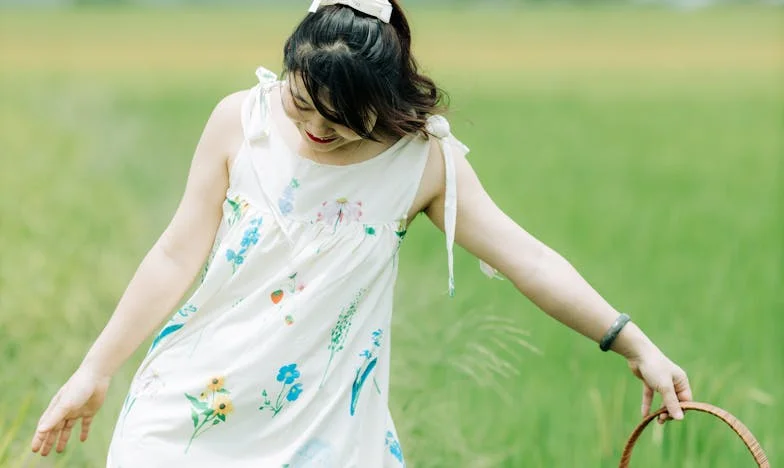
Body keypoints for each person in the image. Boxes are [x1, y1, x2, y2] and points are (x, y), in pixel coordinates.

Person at [30, 0, 693, 466]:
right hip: (188, 414)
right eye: (302, 103)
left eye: (342, 118)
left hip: (325, 437)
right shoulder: (243, 122)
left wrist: (633, 343)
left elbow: (530, 260)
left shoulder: (421, 163)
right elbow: (176, 253)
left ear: (387, 101)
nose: (315, 129)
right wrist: (96, 369)